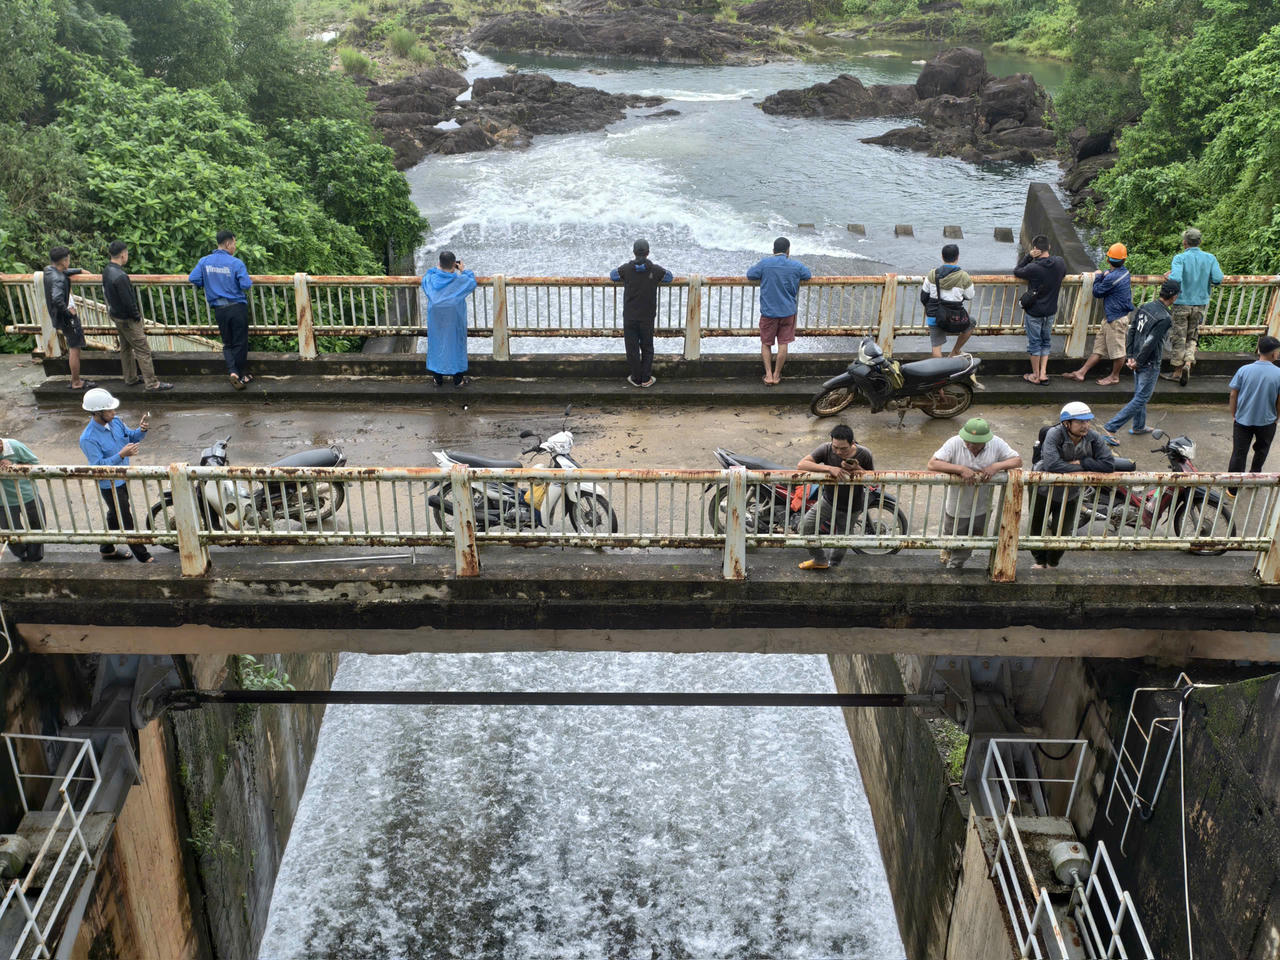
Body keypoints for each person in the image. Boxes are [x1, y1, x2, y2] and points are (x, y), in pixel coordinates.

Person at [1029, 402, 1115, 569]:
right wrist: (1087, 467)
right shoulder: (1054, 434)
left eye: (1088, 421)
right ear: (1066, 423)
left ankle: (1052, 562)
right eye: (1080, 422)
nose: (1085, 426)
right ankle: (1039, 561)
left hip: (1071, 491)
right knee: (1037, 526)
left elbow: (1109, 464)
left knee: (1062, 531)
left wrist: (1082, 462)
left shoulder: (1093, 437)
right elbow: (1052, 465)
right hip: (1043, 488)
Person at [927, 418, 1021, 569]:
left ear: (985, 441)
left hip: (982, 505)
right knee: (951, 535)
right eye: (968, 442)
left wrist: (996, 466)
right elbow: (932, 463)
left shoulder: (996, 443)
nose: (970, 446)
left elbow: (1017, 461)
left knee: (970, 539)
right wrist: (960, 469)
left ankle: (955, 566)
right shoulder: (955, 442)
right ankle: (947, 550)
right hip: (956, 504)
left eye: (975, 444)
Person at [79, 388, 153, 563]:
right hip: (110, 484)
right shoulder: (88, 438)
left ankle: (106, 549)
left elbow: (131, 437)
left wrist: (141, 430)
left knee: (115, 514)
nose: (114, 412)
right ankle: (144, 556)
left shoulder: (116, 421)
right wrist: (121, 455)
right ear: (97, 413)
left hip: (123, 476)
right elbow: (97, 467)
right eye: (109, 410)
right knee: (125, 517)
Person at [1103, 280, 1178, 439]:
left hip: (1136, 357)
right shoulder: (1165, 317)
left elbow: (1132, 331)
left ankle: (1138, 426)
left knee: (1139, 394)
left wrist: (1131, 356)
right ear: (1174, 297)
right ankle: (1111, 427)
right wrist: (1139, 361)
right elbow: (1151, 342)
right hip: (1148, 361)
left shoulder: (1145, 306)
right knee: (1142, 397)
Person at [795, 423, 874, 571]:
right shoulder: (826, 448)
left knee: (841, 540)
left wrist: (857, 469)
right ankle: (820, 559)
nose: (838, 452)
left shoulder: (864, 454)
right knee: (805, 527)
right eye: (835, 447)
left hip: (852, 506)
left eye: (843, 449)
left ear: (852, 443)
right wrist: (829, 468)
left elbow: (873, 481)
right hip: (828, 500)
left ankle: (833, 566)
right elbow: (801, 465)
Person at [102, 241, 173, 392]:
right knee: (143, 350)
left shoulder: (107, 270)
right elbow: (128, 301)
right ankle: (152, 383)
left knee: (126, 348)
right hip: (127, 319)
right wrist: (136, 316)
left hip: (116, 315)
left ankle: (130, 378)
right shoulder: (121, 276)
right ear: (123, 254)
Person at [189, 230, 253, 390]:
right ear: (228, 243)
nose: (235, 247)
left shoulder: (205, 261)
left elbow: (193, 278)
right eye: (234, 243)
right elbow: (246, 284)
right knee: (240, 342)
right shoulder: (236, 263)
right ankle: (241, 375)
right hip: (237, 307)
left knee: (227, 343)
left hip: (219, 309)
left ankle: (233, 372)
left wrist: (208, 283)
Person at [1064, 242, 1133, 386]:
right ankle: (1081, 373)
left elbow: (1097, 292)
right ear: (1124, 260)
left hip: (1116, 319)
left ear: (1108, 259)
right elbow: (1110, 278)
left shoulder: (1111, 277)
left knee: (1118, 352)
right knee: (1099, 349)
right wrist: (1104, 275)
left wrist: (1097, 277)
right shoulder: (1125, 273)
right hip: (1111, 318)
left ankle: (1114, 377)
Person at [1162, 227, 1224, 386]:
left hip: (1181, 302)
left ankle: (1177, 371)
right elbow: (1218, 279)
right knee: (1192, 335)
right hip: (1200, 303)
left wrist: (1168, 276)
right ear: (1200, 242)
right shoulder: (1210, 258)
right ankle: (1188, 363)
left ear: (1185, 243)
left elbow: (1176, 278)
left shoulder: (1180, 258)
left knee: (1179, 336)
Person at [747, 237, 811, 386]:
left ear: (773, 250)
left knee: (766, 343)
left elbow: (750, 274)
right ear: (788, 251)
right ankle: (777, 375)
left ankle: (768, 375)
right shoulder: (795, 265)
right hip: (788, 311)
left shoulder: (765, 264)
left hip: (769, 312)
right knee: (783, 343)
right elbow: (807, 275)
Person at [610, 239, 672, 388]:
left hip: (630, 316)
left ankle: (636, 378)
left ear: (634, 252)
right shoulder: (655, 270)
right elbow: (670, 277)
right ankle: (646, 378)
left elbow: (613, 275)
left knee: (632, 348)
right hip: (647, 316)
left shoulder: (626, 269)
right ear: (648, 253)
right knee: (647, 347)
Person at [1013, 235, 1067, 385]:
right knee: (1046, 341)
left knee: (1035, 343)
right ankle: (1043, 373)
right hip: (1050, 311)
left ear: (1035, 249)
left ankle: (1035, 375)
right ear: (1049, 247)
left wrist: (1028, 257)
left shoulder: (1033, 268)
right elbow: (1063, 273)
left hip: (1035, 312)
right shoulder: (1060, 262)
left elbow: (1017, 271)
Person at [422, 250, 477, 387]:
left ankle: (438, 379)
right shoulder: (459, 281)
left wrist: (436, 269)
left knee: (436, 343)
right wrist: (463, 270)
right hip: (454, 318)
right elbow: (471, 282)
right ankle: (458, 380)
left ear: (439, 263)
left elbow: (426, 276)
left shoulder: (431, 279)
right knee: (456, 344)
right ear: (454, 264)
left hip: (436, 318)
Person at [1227, 336, 1280, 474]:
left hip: (1243, 419)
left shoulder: (1244, 370)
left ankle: (1233, 483)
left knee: (1239, 452)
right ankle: (1254, 475)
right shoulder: (1278, 373)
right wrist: (1277, 417)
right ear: (1274, 354)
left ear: (1258, 350)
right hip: (1267, 421)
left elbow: (1233, 395)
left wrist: (1234, 414)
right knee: (1262, 451)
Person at [43, 246, 94, 390]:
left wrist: (79, 270)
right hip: (67, 319)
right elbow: (57, 299)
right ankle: (76, 382)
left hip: (58, 317)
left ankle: (75, 380)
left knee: (74, 347)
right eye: (68, 259)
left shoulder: (49, 271)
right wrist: (69, 313)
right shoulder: (58, 279)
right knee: (75, 348)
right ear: (64, 261)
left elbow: (63, 272)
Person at [919, 243, 975, 358]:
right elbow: (970, 296)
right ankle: (955, 351)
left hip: (935, 316)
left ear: (942, 256)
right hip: (955, 318)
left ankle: (939, 369)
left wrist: (932, 309)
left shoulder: (932, 274)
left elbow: (923, 297)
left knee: (936, 347)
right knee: (971, 322)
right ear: (957, 257)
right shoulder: (964, 276)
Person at [0, 438, 46, 562]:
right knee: (9, 531)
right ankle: (22, 554)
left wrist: (15, 467)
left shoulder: (15, 446)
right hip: (3, 501)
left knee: (38, 524)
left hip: (28, 494)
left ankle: (35, 556)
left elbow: (35, 464)